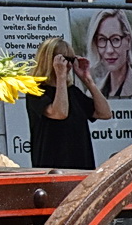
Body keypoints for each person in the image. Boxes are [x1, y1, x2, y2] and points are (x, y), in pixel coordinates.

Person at [24, 37, 112, 170]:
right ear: (49, 59)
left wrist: (88, 80)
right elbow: (60, 113)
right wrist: (60, 76)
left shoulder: (73, 92)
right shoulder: (35, 91)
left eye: (71, 60)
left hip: (81, 167)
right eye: (64, 59)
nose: (69, 65)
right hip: (52, 168)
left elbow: (105, 113)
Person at [87, 8, 132, 99]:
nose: (109, 50)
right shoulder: (91, 93)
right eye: (102, 40)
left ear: (128, 41)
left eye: (115, 39)